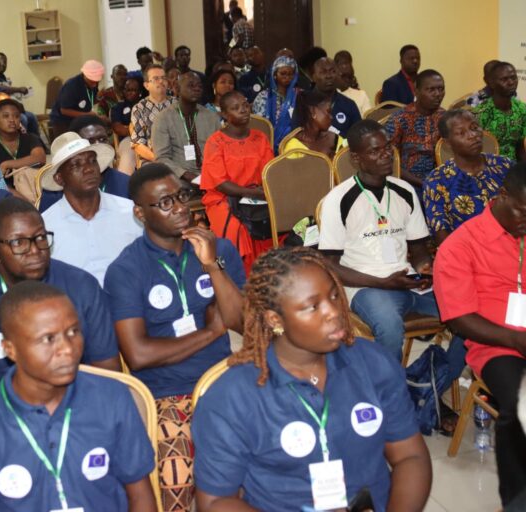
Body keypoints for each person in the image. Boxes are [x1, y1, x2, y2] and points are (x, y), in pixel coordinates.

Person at [192, 247, 432, 512]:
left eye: (334, 295)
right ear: (275, 319)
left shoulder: (373, 363)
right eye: (313, 306)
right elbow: (215, 502)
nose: (334, 312)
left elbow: (410, 456)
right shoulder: (231, 398)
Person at [104, 163, 245, 511]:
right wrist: (212, 331)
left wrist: (212, 265)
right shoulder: (125, 270)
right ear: (140, 213)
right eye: (165, 203)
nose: (180, 207)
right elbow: (138, 355)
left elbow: (243, 322)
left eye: (181, 196)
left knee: (266, 459)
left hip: (225, 378)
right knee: (176, 477)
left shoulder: (219, 250)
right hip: (168, 393)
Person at [0, 280, 156, 511]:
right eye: (48, 339)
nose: (67, 348)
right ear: (10, 349)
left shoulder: (112, 398)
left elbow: (141, 497)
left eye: (73, 332)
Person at [0, 197, 121, 408]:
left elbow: (108, 376)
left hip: (80, 409)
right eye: (18, 242)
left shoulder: (83, 287)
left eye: (40, 238)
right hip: (4, 417)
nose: (35, 250)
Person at [318, 120, 456, 363]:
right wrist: (383, 282)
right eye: (375, 151)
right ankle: (389, 385)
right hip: (364, 287)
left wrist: (425, 270)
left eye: (387, 148)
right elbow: (330, 266)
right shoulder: (338, 200)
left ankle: (438, 377)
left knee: (465, 311)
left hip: (407, 282)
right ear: (356, 158)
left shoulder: (404, 191)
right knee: (389, 327)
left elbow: (419, 251)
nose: (386, 155)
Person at [433, 162, 526, 508]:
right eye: (523, 210)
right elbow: (460, 319)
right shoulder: (461, 245)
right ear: (502, 196)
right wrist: (516, 340)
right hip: (498, 345)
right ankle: (517, 500)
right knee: (518, 406)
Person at [41, 132, 141, 284]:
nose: (88, 169)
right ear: (59, 179)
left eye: (92, 161)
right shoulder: (45, 226)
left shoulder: (131, 212)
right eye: (76, 165)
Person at [202, 90, 273, 274]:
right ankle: (237, 277)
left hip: (258, 196)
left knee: (273, 222)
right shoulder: (215, 142)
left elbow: (269, 173)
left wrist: (261, 192)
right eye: (235, 108)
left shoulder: (260, 138)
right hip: (224, 198)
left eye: (245, 105)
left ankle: (267, 274)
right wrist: (252, 193)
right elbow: (220, 184)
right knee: (237, 228)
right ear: (225, 115)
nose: (243, 110)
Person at [423, 109, 513, 245]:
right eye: (461, 133)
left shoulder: (505, 165)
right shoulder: (436, 181)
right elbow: (442, 236)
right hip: (467, 251)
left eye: (474, 128)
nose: (472, 135)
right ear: (448, 143)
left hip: (513, 245)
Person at [40, 116, 130, 211]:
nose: (99, 144)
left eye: (103, 139)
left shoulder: (124, 183)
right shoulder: (54, 193)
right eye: (90, 141)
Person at [151, 72, 221, 183]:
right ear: (177, 89)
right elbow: (162, 158)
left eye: (199, 86)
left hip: (212, 176)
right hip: (179, 178)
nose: (197, 89)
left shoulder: (211, 117)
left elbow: (220, 152)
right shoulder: (163, 118)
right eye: (191, 85)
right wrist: (188, 176)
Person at [384, 69, 446, 190]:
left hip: (441, 180)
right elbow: (389, 161)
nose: (437, 94)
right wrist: (423, 183)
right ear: (416, 92)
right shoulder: (399, 119)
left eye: (441, 89)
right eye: (431, 90)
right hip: (407, 183)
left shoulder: (445, 118)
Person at [0, 98, 46, 187]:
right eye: (6, 116)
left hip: (35, 187)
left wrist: (6, 164)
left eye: (16, 116)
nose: (12, 120)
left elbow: (40, 158)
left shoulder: (30, 138)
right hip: (5, 192)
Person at [293, 57, 361, 137]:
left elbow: (359, 137)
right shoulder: (303, 101)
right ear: (313, 77)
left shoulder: (349, 105)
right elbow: (295, 133)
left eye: (333, 71)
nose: (329, 76)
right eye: (323, 72)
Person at [474, 61, 526, 161]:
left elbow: (522, 146)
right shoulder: (481, 113)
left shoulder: (522, 109)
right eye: (504, 79)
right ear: (491, 83)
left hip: (516, 166)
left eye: (513, 78)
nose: (511, 82)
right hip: (488, 165)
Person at [252, 55, 298, 151]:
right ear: (275, 74)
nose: (287, 77)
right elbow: (260, 123)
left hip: (294, 144)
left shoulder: (299, 96)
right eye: (283, 73)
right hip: (267, 144)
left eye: (290, 74)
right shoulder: (263, 96)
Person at [131, 65, 175, 163]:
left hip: (178, 157)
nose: (161, 81)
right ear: (146, 85)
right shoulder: (139, 108)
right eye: (156, 79)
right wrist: (158, 159)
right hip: (152, 160)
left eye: (164, 78)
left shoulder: (177, 104)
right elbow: (138, 144)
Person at [283, 89, 346, 158]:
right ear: (313, 112)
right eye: (328, 112)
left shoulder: (336, 140)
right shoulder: (294, 148)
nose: (331, 117)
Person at [50, 60, 105, 137]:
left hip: (80, 120)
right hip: (63, 122)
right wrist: (88, 115)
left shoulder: (93, 84)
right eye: (92, 81)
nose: (95, 84)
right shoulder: (71, 86)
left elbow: (89, 101)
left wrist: (98, 97)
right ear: (84, 75)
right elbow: (64, 110)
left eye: (97, 81)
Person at [111, 77, 143, 168]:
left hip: (147, 139)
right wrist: (139, 131)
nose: (129, 93)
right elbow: (118, 128)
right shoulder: (118, 107)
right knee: (129, 154)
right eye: (127, 90)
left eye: (133, 90)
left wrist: (128, 127)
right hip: (128, 140)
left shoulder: (146, 105)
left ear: (139, 92)